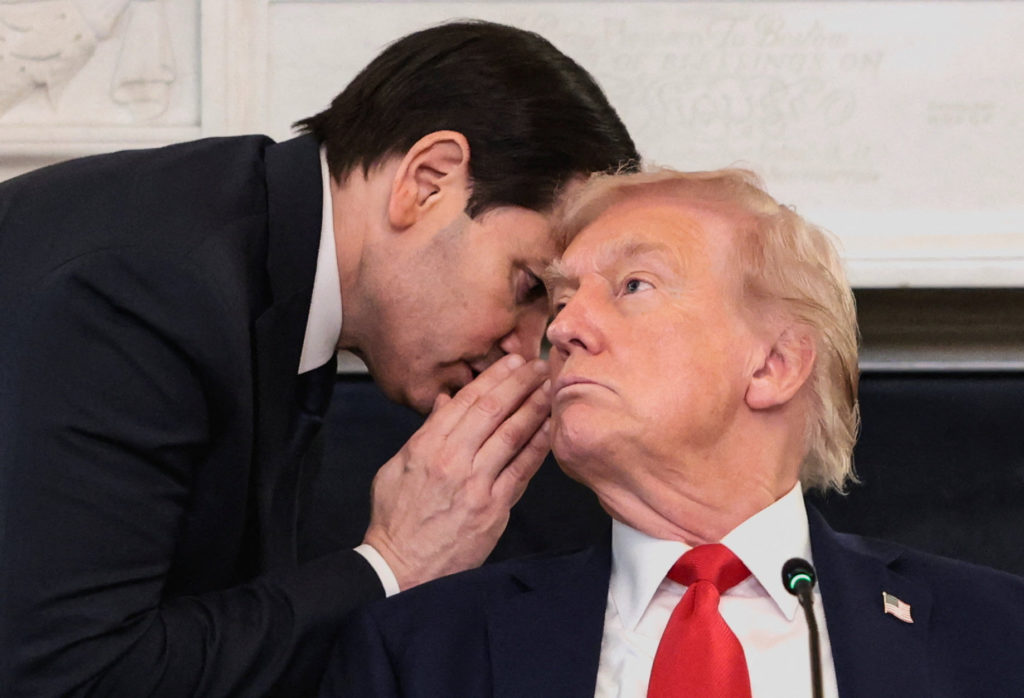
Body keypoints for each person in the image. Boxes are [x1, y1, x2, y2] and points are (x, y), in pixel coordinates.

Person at [0, 21, 639, 696]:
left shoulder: (260, 253)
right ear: (427, 181)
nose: (524, 348)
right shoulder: (149, 290)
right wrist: (394, 563)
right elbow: (68, 676)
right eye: (528, 286)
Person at [321, 167, 1024, 697]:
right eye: (562, 300)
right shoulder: (422, 650)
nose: (563, 328)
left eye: (633, 287)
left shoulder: (998, 633)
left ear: (774, 366)